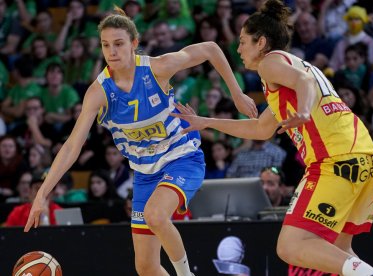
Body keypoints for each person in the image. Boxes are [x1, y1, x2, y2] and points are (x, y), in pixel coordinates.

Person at [171, 1, 373, 275]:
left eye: (243, 41)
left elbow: (303, 84)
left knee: (290, 246)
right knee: (341, 255)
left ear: (262, 43)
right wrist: (206, 122)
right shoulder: (290, 70)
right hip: (363, 156)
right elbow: (260, 128)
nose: (238, 48)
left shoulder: (271, 63)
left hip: (335, 159)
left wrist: (304, 111)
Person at [24, 6, 257, 276]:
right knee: (146, 267)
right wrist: (42, 194)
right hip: (145, 172)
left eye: (119, 44)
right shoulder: (98, 93)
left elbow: (210, 48)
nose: (112, 51)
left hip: (182, 157)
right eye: (106, 45)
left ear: (134, 44)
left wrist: (237, 94)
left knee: (155, 215)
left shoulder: (157, 68)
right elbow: (71, 147)